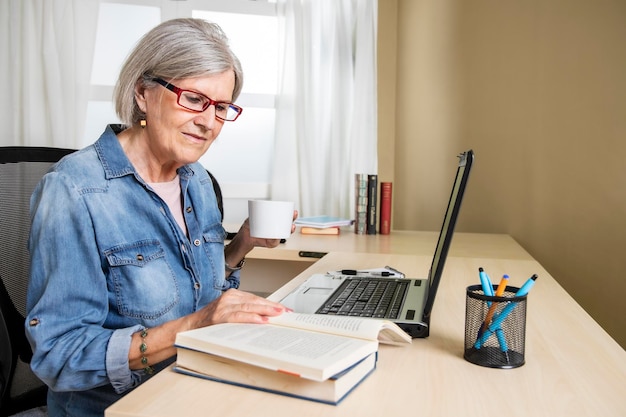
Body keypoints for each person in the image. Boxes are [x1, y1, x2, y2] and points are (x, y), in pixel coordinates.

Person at [25, 18, 294, 417]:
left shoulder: (197, 180)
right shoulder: (74, 191)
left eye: (221, 107)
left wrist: (241, 245)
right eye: (194, 99)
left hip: (197, 389)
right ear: (143, 93)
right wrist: (195, 325)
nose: (208, 122)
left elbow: (192, 291)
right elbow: (60, 356)